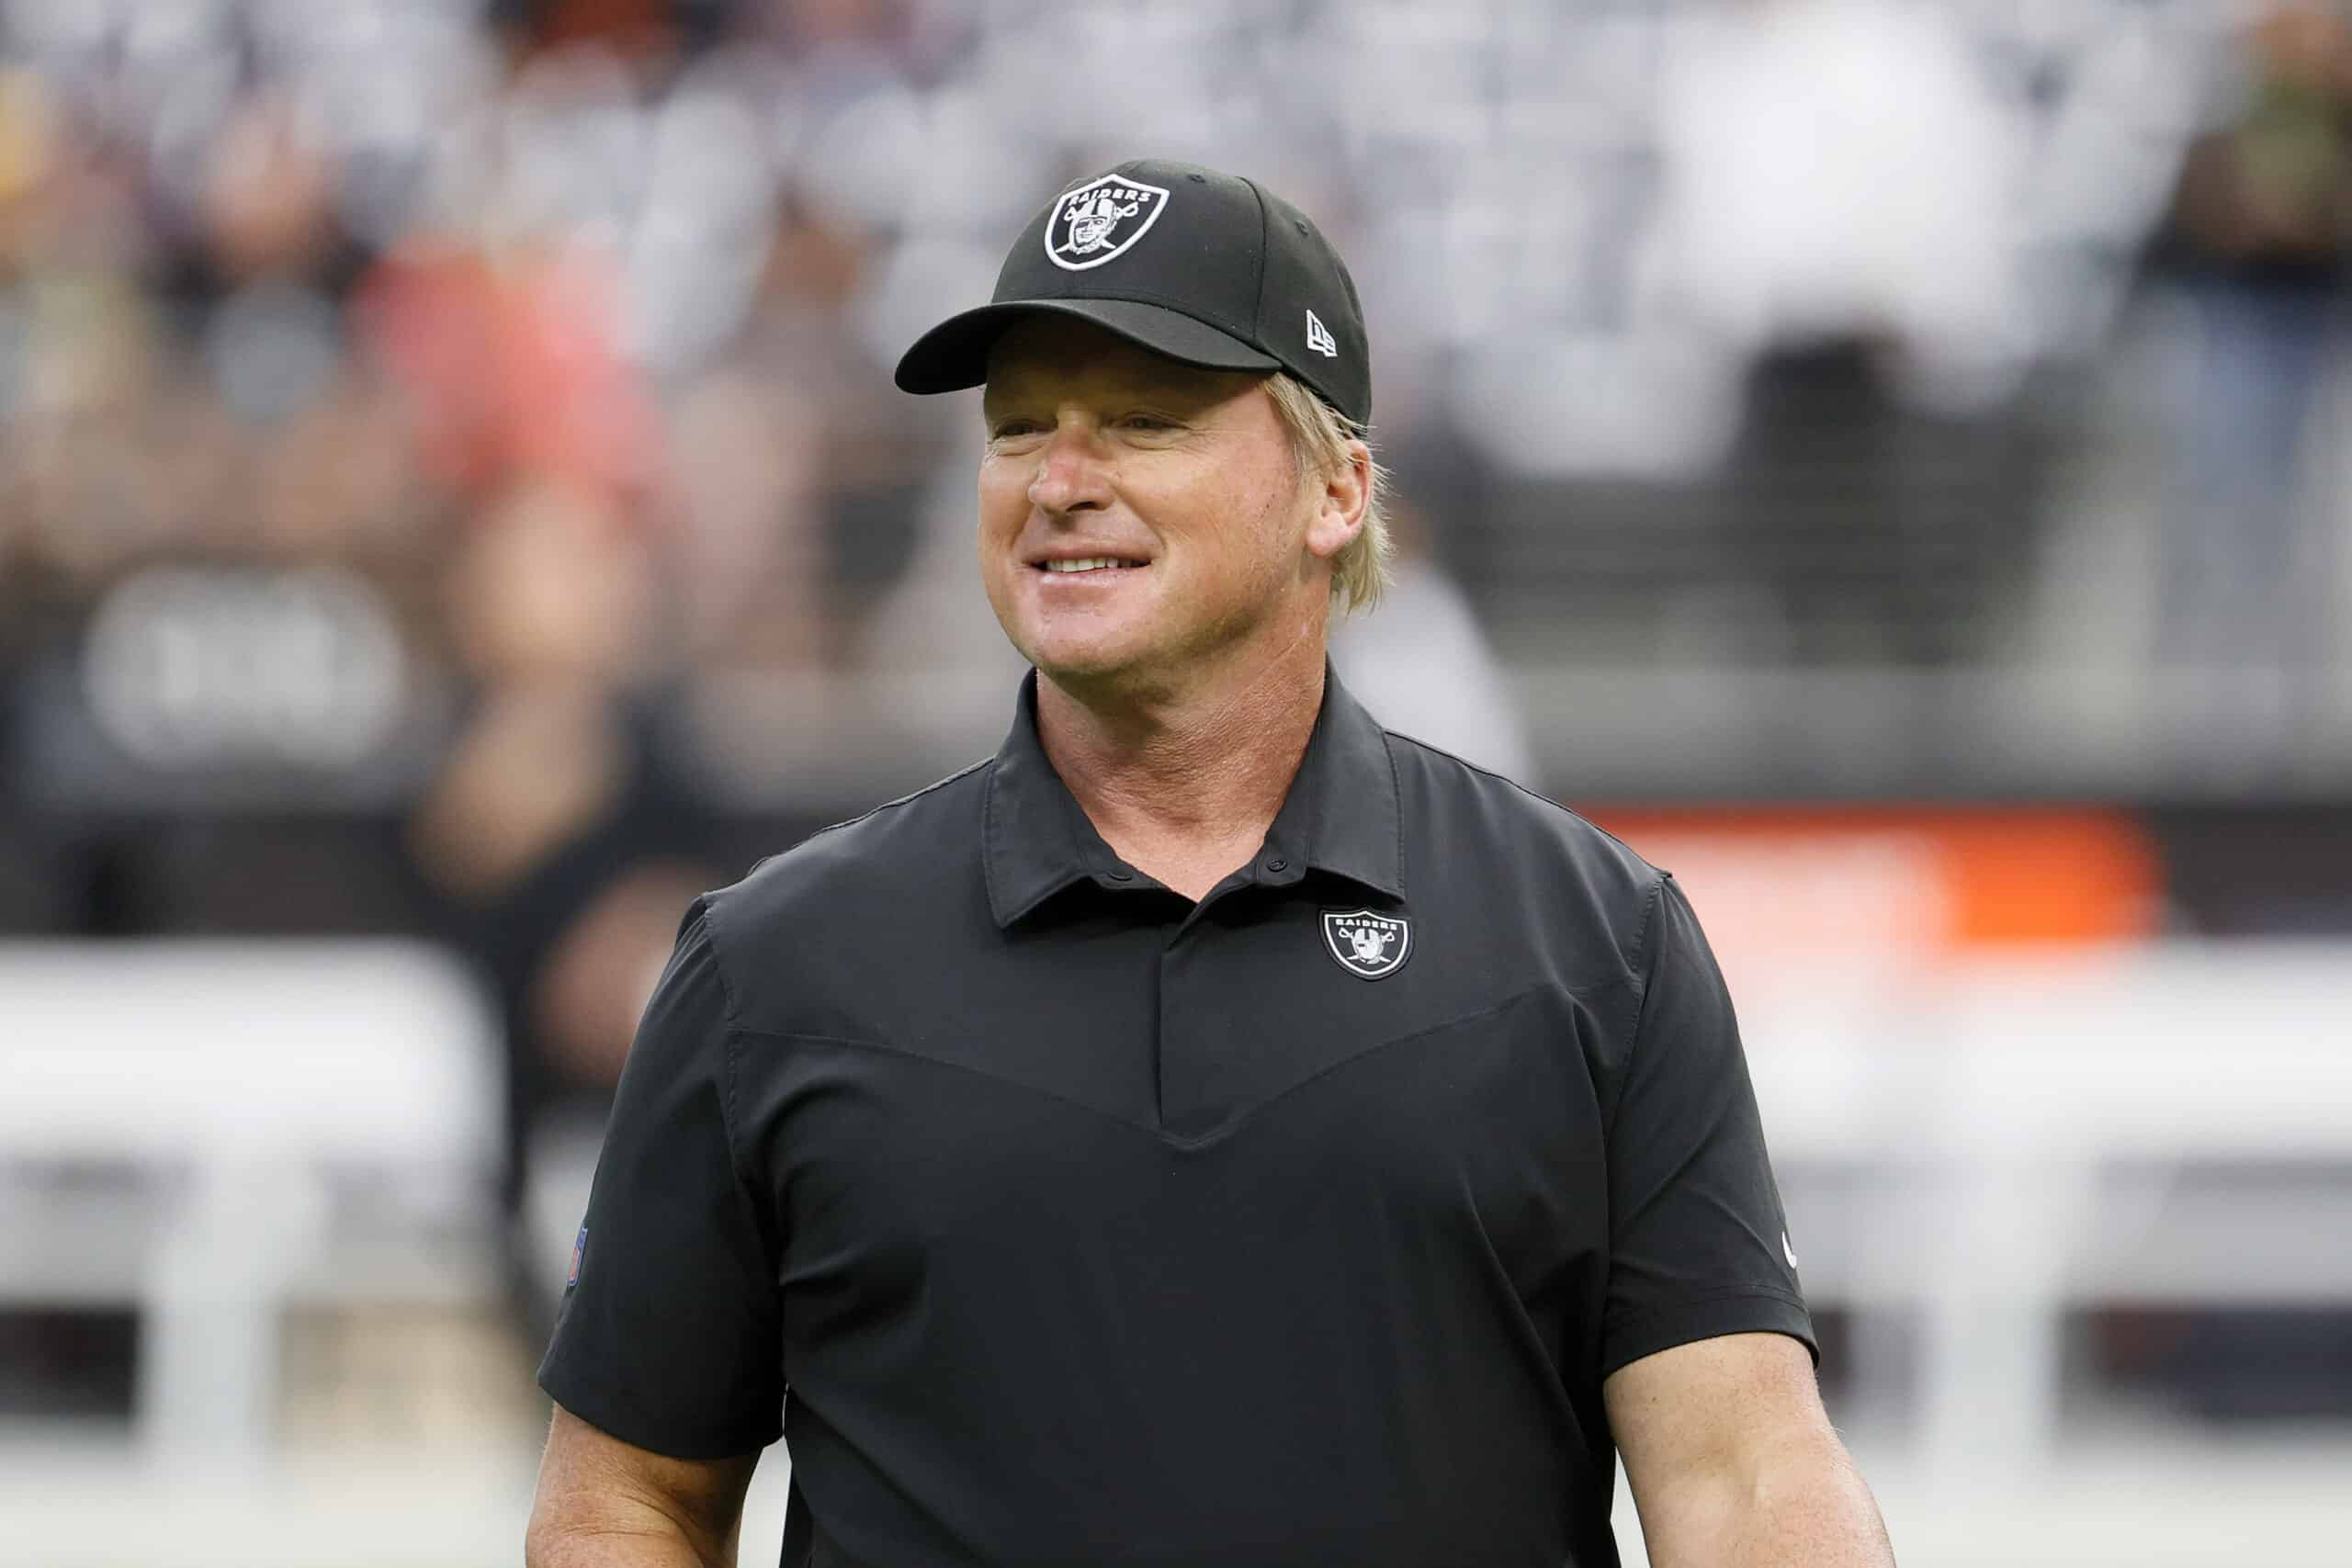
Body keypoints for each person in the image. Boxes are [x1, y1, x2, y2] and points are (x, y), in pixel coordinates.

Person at [525, 158, 1894, 1568]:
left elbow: (1741, 1477)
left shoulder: (1592, 941)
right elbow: (625, 1504)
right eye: (1019, 430)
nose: (1059, 481)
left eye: (1144, 422)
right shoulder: (774, 965)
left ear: (1337, 490)